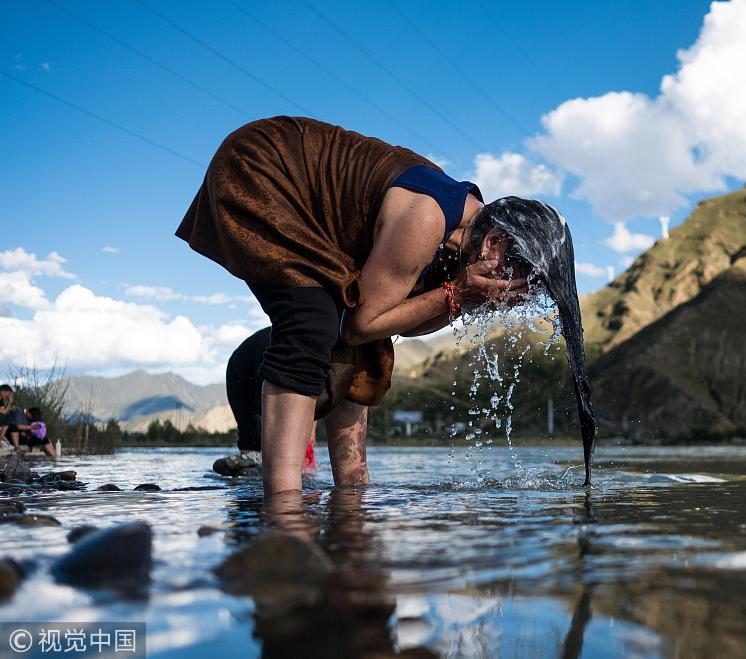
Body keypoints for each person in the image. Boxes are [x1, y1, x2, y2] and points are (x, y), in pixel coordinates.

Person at [176, 116, 554, 495]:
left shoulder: (462, 237)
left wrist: (464, 301)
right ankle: (284, 505)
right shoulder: (426, 217)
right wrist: (455, 294)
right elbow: (360, 323)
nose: (506, 288)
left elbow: (400, 324)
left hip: (316, 214)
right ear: (495, 243)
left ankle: (353, 492)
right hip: (263, 166)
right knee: (310, 325)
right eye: (511, 275)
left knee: (370, 350)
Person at [219, 327, 317, 479]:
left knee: (256, 440)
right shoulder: (308, 344)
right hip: (249, 366)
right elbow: (309, 402)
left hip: (241, 362)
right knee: (262, 439)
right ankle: (255, 479)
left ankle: (249, 473)